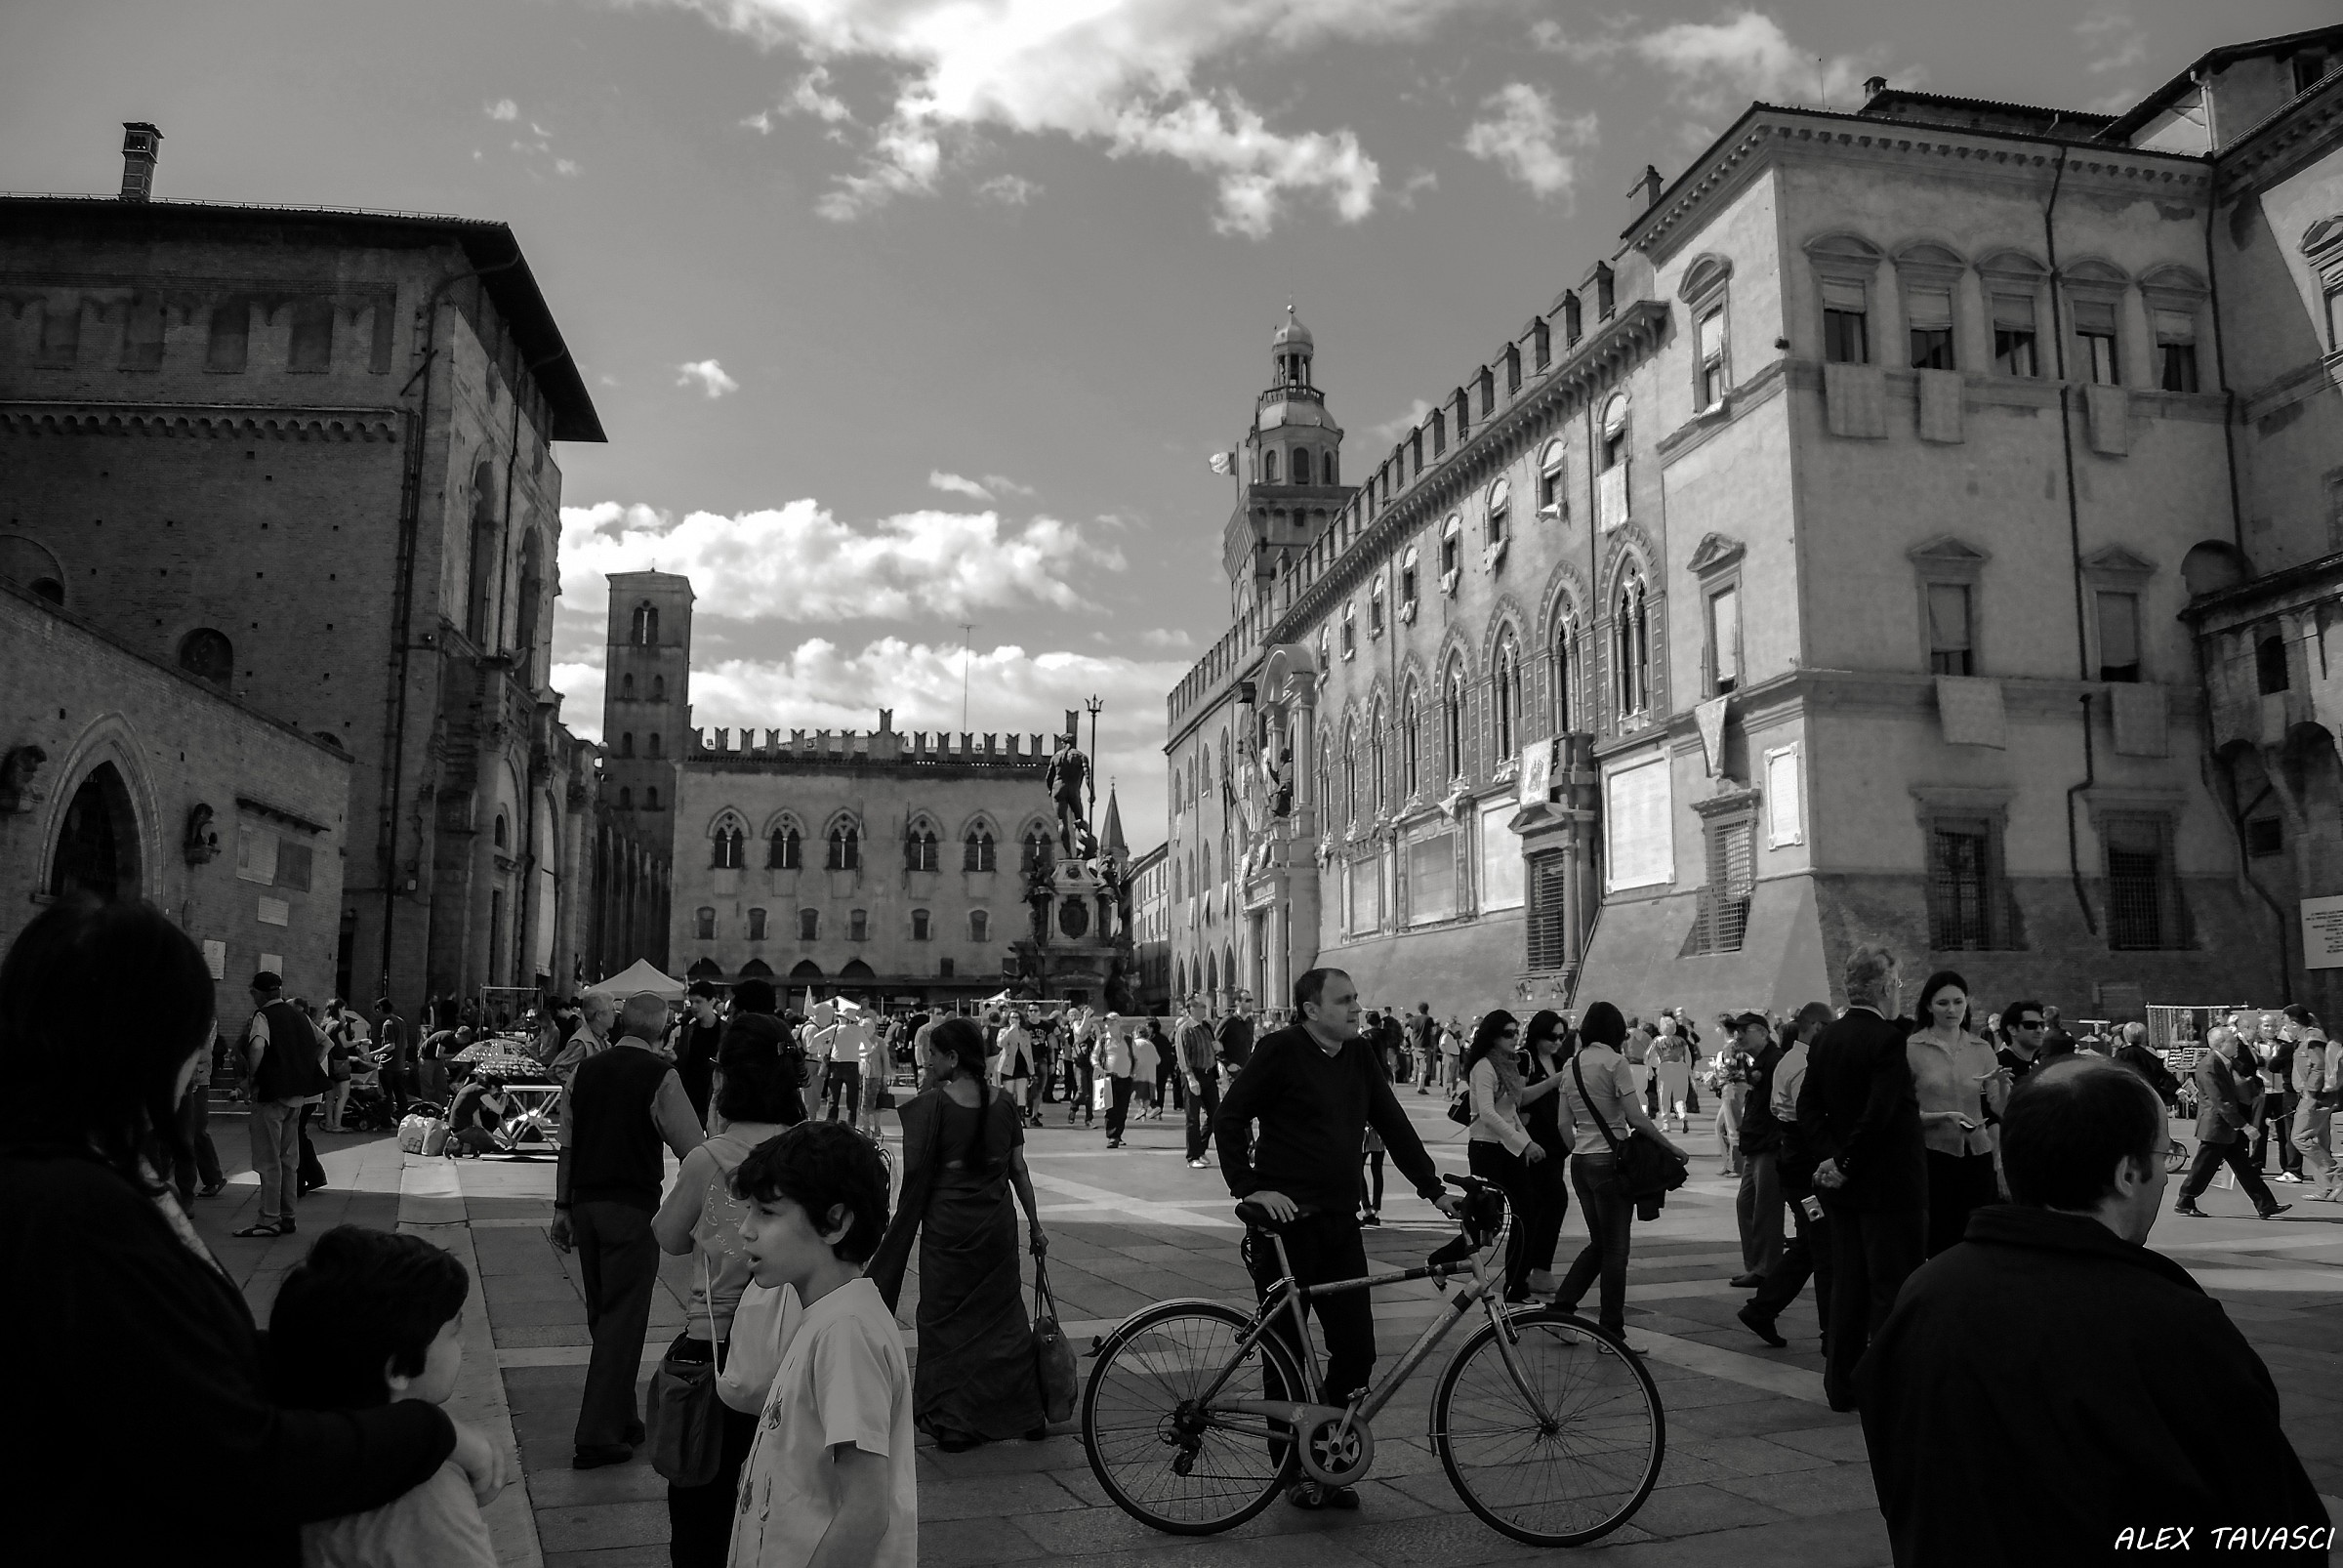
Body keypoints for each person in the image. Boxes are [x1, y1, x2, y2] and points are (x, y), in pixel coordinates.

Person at [0, 897, 508, 1561]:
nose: (200, 1057)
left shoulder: (80, 1174)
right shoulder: (74, 1209)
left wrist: (337, 1353)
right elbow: (221, 1457)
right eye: (195, 1033)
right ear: (146, 1042)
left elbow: (165, 1365)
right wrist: (428, 1436)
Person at [1855, 1057, 2327, 1565]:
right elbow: (2277, 1523)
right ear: (2128, 1173)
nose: (2165, 1179)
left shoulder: (1926, 1293)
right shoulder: (2168, 1322)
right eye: (2164, 1155)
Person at [1215, 967, 1458, 1512]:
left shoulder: (1359, 1055)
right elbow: (1229, 1119)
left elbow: (1393, 1123)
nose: (1356, 1008)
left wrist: (1434, 1191)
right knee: (1285, 1355)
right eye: (1344, 1000)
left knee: (1356, 1350)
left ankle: (1321, 1455)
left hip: (1339, 1226)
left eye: (1355, 999)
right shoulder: (1280, 1051)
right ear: (1311, 1010)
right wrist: (1250, 1189)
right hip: (1284, 1230)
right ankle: (1291, 1471)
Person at [727, 1123, 915, 1568]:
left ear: (835, 1222)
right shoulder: (826, 1317)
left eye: (767, 1212)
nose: (746, 1230)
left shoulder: (845, 1331)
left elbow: (866, 1512)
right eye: (749, 1210)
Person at [652, 1016, 801, 1564]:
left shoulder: (708, 1160)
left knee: (702, 1502)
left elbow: (669, 1237)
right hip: (790, 1340)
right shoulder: (808, 1152)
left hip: (714, 1343)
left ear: (723, 1080)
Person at [267, 1225, 496, 1567]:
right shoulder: (426, 1494)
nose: (461, 1343)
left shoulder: (298, 1466)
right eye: (454, 1332)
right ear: (398, 1369)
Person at [869, 1016, 1048, 1451]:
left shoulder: (933, 1105)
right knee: (1004, 1320)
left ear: (952, 1057)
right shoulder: (1006, 1102)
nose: (928, 1062)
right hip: (996, 1227)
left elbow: (917, 1175)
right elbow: (1018, 1170)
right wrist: (1036, 1226)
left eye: (933, 1055)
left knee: (945, 1323)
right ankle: (1023, 1411)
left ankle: (954, 1422)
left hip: (948, 1230)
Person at [552, 990, 707, 1468]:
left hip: (585, 1204)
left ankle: (622, 1419)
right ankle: (597, 1435)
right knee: (623, 1319)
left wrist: (561, 1206)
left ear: (621, 1023)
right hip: (630, 1208)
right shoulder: (660, 1075)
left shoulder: (584, 1071)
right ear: (661, 1029)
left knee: (604, 1316)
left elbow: (567, 1145)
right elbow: (693, 1147)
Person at [1798, 945, 1927, 1411]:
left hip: (1844, 1187)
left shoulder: (1826, 1038)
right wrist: (1845, 1161)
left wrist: (1831, 1160)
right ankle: (1888, 1386)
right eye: (1898, 983)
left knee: (1848, 1285)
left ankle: (1841, 1383)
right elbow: (1881, 1113)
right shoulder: (1887, 1040)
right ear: (1886, 986)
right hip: (1888, 1184)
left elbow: (1807, 1107)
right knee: (1892, 1287)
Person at [1551, 1002, 1688, 1336]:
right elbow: (1636, 1117)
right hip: (1609, 1161)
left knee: (1599, 1243)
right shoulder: (1615, 1063)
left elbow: (1563, 1124)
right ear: (1615, 1032)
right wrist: (1671, 1148)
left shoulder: (1571, 1065)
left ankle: (1560, 1310)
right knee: (1615, 1251)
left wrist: (1579, 1148)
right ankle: (1611, 1330)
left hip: (1581, 1162)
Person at [1740, 1002, 1835, 1347]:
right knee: (1822, 1245)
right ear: (1818, 1027)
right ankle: (1828, 1329)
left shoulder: (1788, 1060)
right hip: (1806, 1171)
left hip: (1794, 1164)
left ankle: (1762, 1309)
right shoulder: (1804, 1065)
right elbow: (1809, 1118)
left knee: (1811, 1244)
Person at [1906, 970, 2010, 1258]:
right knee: (1940, 1237)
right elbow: (1903, 1113)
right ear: (1929, 1006)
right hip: (1933, 1154)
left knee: (1977, 1237)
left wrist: (2003, 1086)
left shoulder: (1981, 1048)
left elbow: (1999, 1108)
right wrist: (1942, 1117)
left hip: (1977, 1152)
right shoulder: (1912, 1048)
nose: (1951, 1010)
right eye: (1943, 1003)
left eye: (1958, 1002)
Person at [1461, 1010, 1558, 1302]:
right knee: (1487, 1223)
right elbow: (1488, 1113)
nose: (1515, 1038)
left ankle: (1516, 1287)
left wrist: (1526, 1143)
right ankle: (1440, 1261)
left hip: (1509, 1149)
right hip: (1486, 1148)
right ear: (1492, 1036)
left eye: (1517, 1032)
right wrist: (1524, 1144)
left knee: (1525, 1214)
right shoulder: (1484, 1067)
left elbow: (1512, 1111)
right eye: (1508, 1033)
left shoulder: (1510, 1065)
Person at [233, 970, 329, 1240]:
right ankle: (288, 1215)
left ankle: (269, 1219)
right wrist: (303, 1068)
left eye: (253, 992)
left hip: (271, 1096)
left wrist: (253, 1079)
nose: (252, 996)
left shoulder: (263, 1016)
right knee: (289, 1159)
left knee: (268, 1160)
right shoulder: (299, 1015)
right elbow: (325, 1042)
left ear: (260, 993)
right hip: (296, 1096)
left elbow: (257, 1047)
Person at [2172, 1024, 2289, 1220]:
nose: (2236, 1045)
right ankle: (2185, 1199)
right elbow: (2220, 1101)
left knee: (2244, 1168)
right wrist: (2245, 1126)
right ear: (2220, 1044)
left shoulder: (2227, 1061)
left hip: (2227, 1126)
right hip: (2216, 1126)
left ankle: (2266, 1204)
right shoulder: (2209, 1066)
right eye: (2232, 1042)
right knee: (2203, 1167)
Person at [1516, 1010, 1575, 1295]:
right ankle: (1534, 1269)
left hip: (1555, 1144)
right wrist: (1553, 1081)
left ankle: (1535, 1269)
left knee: (1546, 1205)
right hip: (1531, 1144)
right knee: (1548, 1202)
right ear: (1537, 1034)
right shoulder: (1523, 1059)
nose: (1557, 1042)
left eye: (1562, 1037)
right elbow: (1517, 1098)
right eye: (1552, 1037)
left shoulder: (1560, 1061)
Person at [1725, 1011, 1785, 1287]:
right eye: (1735, 1031)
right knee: (1747, 1204)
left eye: (1744, 1030)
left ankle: (1766, 1268)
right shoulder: (1760, 1061)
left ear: (1762, 1032)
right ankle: (1756, 1265)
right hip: (1757, 1143)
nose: (1738, 1036)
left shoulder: (1775, 1061)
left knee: (1765, 1208)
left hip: (1769, 1143)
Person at [2289, 1007, 2340, 1202]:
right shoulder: (2311, 1037)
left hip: (2315, 1098)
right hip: (2321, 1097)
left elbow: (2319, 1066)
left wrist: (2310, 1091)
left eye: (2285, 1023)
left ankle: (2337, 1175)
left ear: (2294, 1023)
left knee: (2300, 1138)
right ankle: (2326, 1187)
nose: (2285, 1028)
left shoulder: (2312, 1039)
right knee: (2318, 1141)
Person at [173, 1024, 227, 1204]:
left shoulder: (200, 1018)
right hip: (184, 1078)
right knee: (186, 1132)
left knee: (195, 1130)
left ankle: (212, 1178)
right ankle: (210, 1179)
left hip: (196, 1079)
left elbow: (204, 1051)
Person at [674, 980, 726, 1132]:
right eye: (691, 1002)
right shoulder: (689, 1031)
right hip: (690, 1099)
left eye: (698, 1001)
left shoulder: (726, 1031)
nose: (694, 1007)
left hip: (714, 1099)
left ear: (712, 1001)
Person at [1177, 995, 1219, 1168]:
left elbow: (1213, 1047)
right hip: (1194, 1074)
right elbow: (1182, 1055)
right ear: (1191, 1009)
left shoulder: (1206, 1026)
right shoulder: (1185, 1029)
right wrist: (1190, 1077)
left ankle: (1200, 1148)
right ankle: (1192, 1156)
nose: (1204, 1009)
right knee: (1193, 1117)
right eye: (1201, 1006)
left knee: (1216, 1113)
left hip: (1209, 1074)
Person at [1100, 1013, 1136, 1148]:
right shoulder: (1103, 1040)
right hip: (1109, 1077)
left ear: (1119, 1023)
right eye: (1107, 1023)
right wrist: (1099, 1068)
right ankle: (1112, 1136)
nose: (1109, 1025)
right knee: (1111, 1108)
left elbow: (1136, 1057)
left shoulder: (1128, 1039)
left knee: (1122, 1108)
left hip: (1125, 1078)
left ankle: (1118, 1134)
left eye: (1112, 1022)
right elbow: (1095, 1056)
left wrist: (1134, 1073)